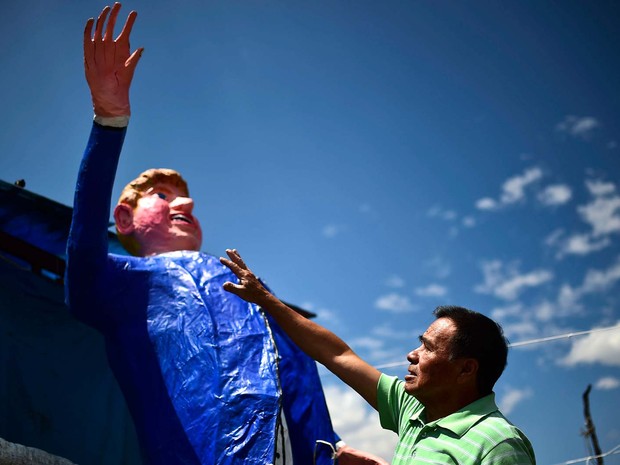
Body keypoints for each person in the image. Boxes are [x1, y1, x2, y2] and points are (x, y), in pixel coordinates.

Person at [65, 4, 378, 464]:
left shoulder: (241, 278)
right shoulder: (120, 283)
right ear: (126, 219)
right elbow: (84, 240)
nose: (184, 204)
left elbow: (295, 365)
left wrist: (327, 446)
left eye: (186, 197)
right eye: (162, 195)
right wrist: (109, 122)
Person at [220, 249, 537, 465]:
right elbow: (336, 353)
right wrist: (265, 300)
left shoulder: (498, 443)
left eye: (428, 348)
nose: (411, 355)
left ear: (466, 369)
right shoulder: (413, 412)